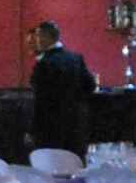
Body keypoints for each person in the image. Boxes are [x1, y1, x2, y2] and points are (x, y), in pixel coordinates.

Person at [27, 19, 97, 154]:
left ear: (45, 37)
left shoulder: (44, 64)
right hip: (76, 125)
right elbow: (90, 86)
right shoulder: (76, 58)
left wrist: (32, 130)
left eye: (38, 36)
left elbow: (40, 101)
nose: (36, 40)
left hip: (51, 128)